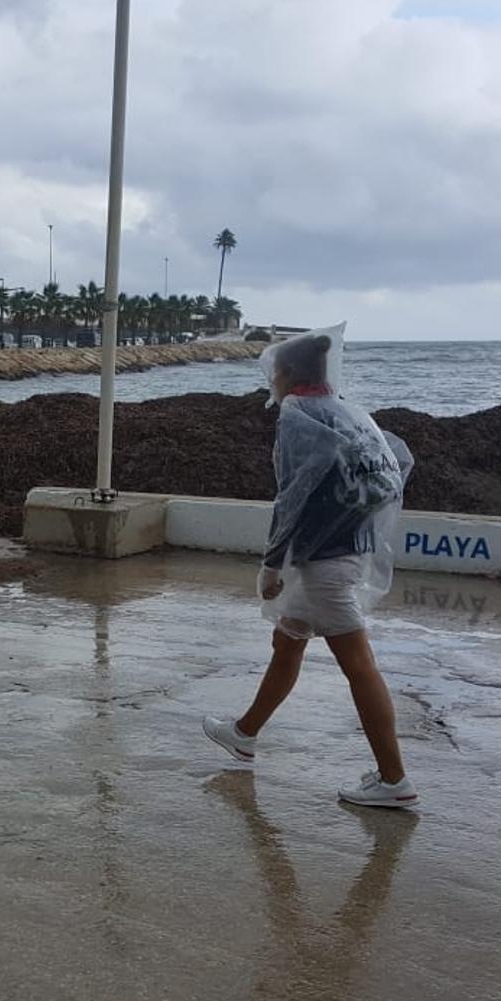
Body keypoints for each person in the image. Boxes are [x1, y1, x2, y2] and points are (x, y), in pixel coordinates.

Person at [201, 329, 419, 809]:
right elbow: (391, 470)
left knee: (359, 666)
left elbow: (292, 495)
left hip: (324, 563)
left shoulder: (300, 417)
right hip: (349, 547)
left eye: (274, 371)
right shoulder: (347, 412)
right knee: (288, 640)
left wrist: (271, 564)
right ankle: (244, 733)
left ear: (286, 373)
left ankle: (393, 779)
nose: (271, 379)